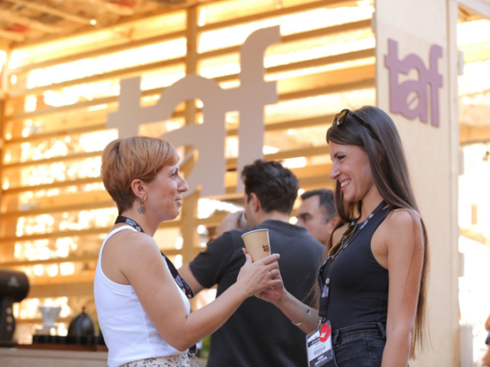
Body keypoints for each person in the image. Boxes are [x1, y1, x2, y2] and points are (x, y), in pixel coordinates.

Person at [257, 106, 429, 367]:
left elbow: (399, 329)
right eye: (332, 160)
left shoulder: (401, 222)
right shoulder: (342, 234)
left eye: (341, 157)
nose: (333, 172)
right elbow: (328, 327)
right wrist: (281, 297)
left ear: (377, 153)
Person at [94, 137, 281, 367]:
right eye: (173, 174)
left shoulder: (128, 240)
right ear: (140, 188)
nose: (184, 185)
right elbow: (180, 334)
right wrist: (243, 287)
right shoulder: (136, 244)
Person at [179, 160, 325, 367]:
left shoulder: (233, 242)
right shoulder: (321, 252)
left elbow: (175, 287)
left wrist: (222, 239)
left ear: (254, 201)